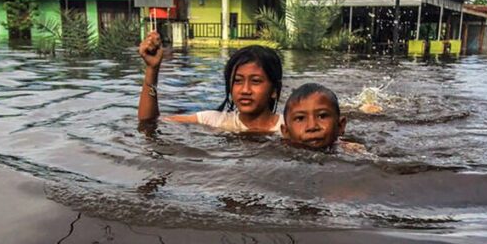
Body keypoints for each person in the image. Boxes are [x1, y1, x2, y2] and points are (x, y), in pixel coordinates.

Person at [138, 31, 283, 133]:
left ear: (274, 90)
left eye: (256, 81)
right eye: (238, 81)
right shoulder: (214, 121)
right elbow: (149, 123)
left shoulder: (289, 127)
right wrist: (152, 69)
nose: (245, 90)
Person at [280, 83, 359, 151]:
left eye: (322, 116)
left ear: (340, 126)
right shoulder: (277, 153)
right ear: (286, 132)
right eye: (300, 118)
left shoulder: (353, 153)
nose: (312, 127)